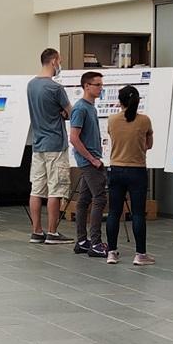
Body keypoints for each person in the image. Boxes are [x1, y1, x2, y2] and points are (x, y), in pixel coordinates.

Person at [103, 85, 155, 266]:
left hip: (116, 169)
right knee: (138, 213)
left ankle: (111, 252)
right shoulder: (145, 121)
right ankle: (140, 254)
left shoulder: (112, 120)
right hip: (137, 170)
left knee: (114, 213)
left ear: (120, 101)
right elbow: (149, 145)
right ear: (138, 101)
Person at [24, 48, 71, 245]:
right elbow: (70, 113)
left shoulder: (31, 85)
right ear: (53, 61)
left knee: (36, 189)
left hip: (38, 144)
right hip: (56, 145)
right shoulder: (55, 88)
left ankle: (37, 231)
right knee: (56, 189)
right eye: (59, 61)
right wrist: (62, 113)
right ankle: (52, 232)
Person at [67, 71, 107, 257]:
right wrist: (92, 159)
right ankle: (96, 242)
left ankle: (82, 241)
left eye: (101, 84)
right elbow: (74, 138)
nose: (100, 88)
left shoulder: (91, 108)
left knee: (83, 200)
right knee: (99, 198)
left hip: (90, 159)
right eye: (97, 84)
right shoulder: (81, 108)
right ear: (86, 86)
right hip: (89, 161)